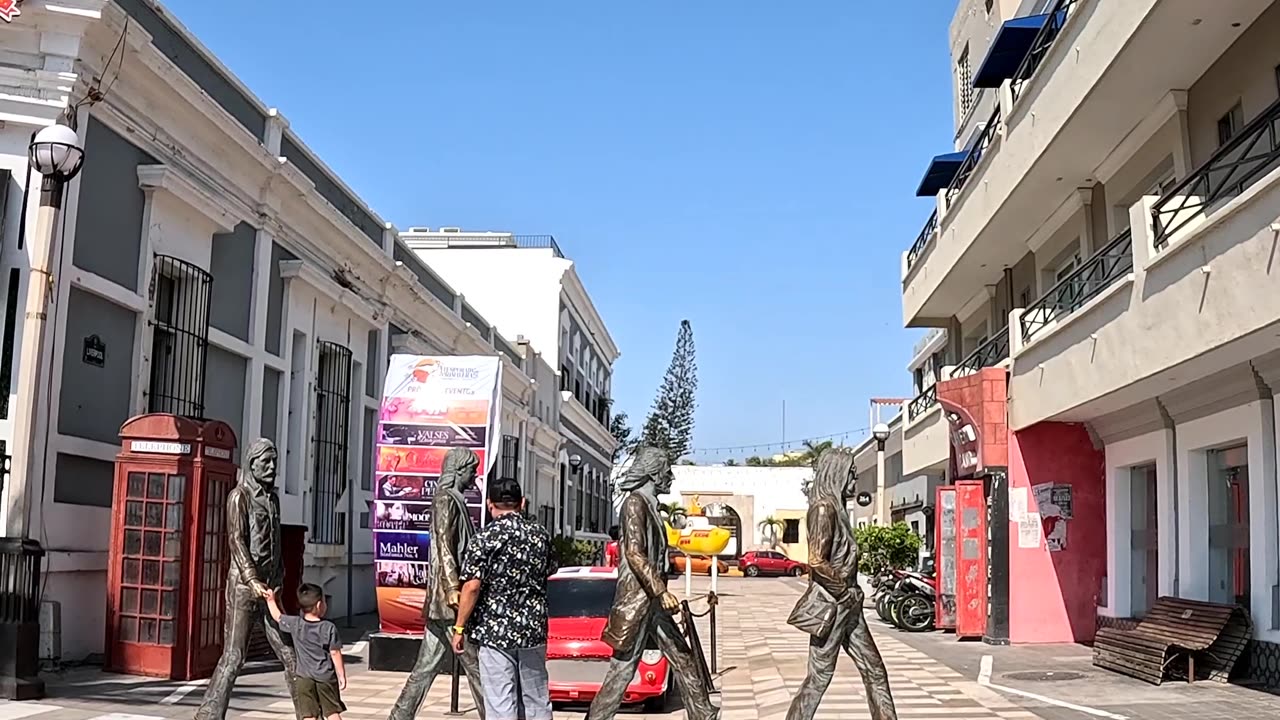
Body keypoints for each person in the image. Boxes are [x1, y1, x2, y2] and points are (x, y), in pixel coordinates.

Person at [586, 447, 719, 720]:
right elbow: (635, 553)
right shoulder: (635, 503)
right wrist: (660, 589)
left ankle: (703, 713)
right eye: (666, 470)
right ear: (653, 472)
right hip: (639, 600)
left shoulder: (650, 506)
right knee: (622, 671)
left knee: (682, 656)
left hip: (651, 602)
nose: (670, 476)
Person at [195, 439, 303, 720]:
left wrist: (278, 577)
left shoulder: (273, 498)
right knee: (234, 657)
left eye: (275, 462)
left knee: (288, 652)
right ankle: (208, 714)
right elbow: (236, 540)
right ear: (251, 463)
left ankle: (309, 713)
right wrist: (252, 578)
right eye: (265, 462)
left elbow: (276, 541)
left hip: (270, 589)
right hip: (244, 587)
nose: (272, 467)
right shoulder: (239, 497)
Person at [785, 448, 897, 720]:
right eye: (851, 475)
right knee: (819, 677)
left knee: (874, 670)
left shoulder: (838, 509)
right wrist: (843, 591)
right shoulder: (823, 510)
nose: (854, 482)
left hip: (850, 606)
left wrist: (850, 596)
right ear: (837, 474)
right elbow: (816, 560)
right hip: (834, 606)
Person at [387, 448, 487, 720]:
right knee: (476, 665)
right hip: (450, 600)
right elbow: (444, 544)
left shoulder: (455, 500)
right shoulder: (446, 500)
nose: (474, 475)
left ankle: (400, 715)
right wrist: (453, 587)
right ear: (457, 471)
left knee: (426, 666)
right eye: (471, 469)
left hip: (443, 600)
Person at [451, 477, 558, 720]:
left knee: (501, 701)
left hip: (494, 630)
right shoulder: (540, 535)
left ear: (490, 504)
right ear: (522, 503)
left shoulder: (484, 538)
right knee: (537, 698)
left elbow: (472, 587)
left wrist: (459, 628)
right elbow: (550, 569)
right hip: (533, 628)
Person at [263, 585, 347, 720]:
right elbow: (335, 652)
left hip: (304, 678)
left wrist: (270, 601)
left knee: (308, 714)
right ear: (319, 605)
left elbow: (278, 617)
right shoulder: (328, 627)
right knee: (332, 713)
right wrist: (341, 675)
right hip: (325, 677)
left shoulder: (296, 624)